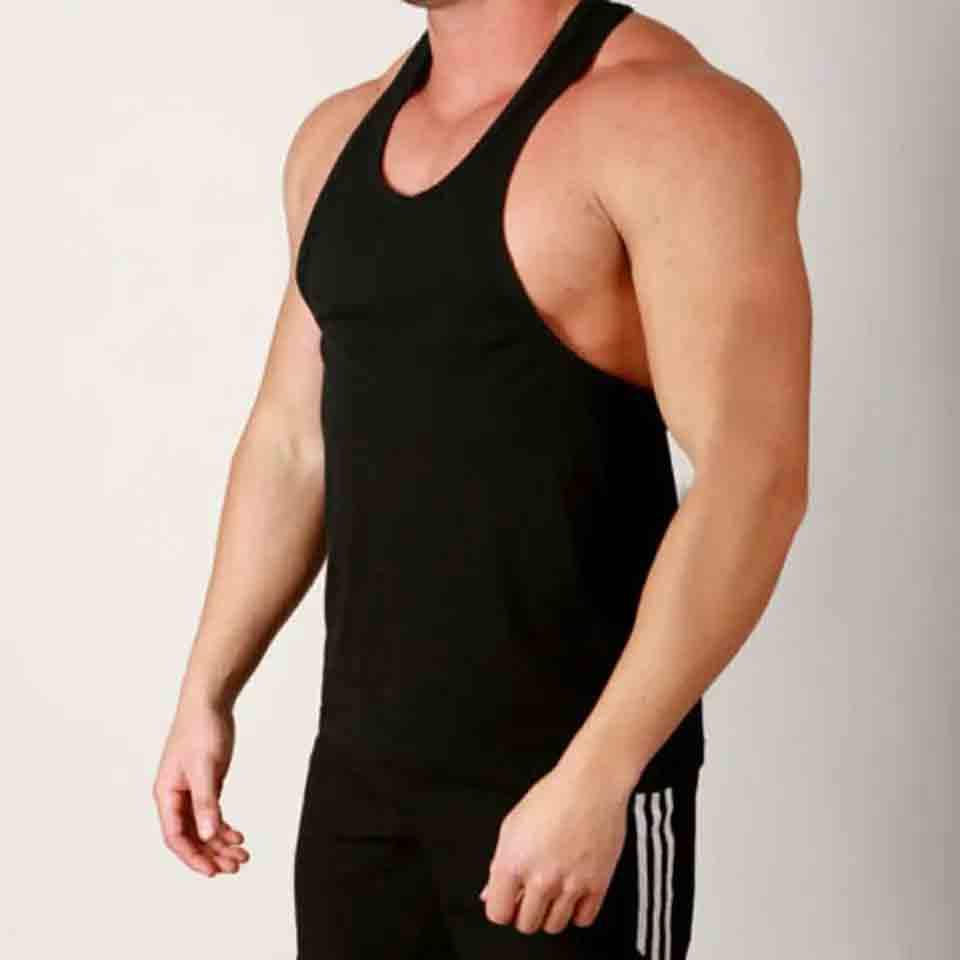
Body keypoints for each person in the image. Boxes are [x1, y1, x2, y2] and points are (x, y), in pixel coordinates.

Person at [152, 1, 811, 957]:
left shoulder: (672, 120)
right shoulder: (336, 136)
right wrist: (206, 691)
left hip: (566, 790)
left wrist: (599, 776)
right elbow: (292, 440)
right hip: (361, 789)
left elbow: (756, 479)